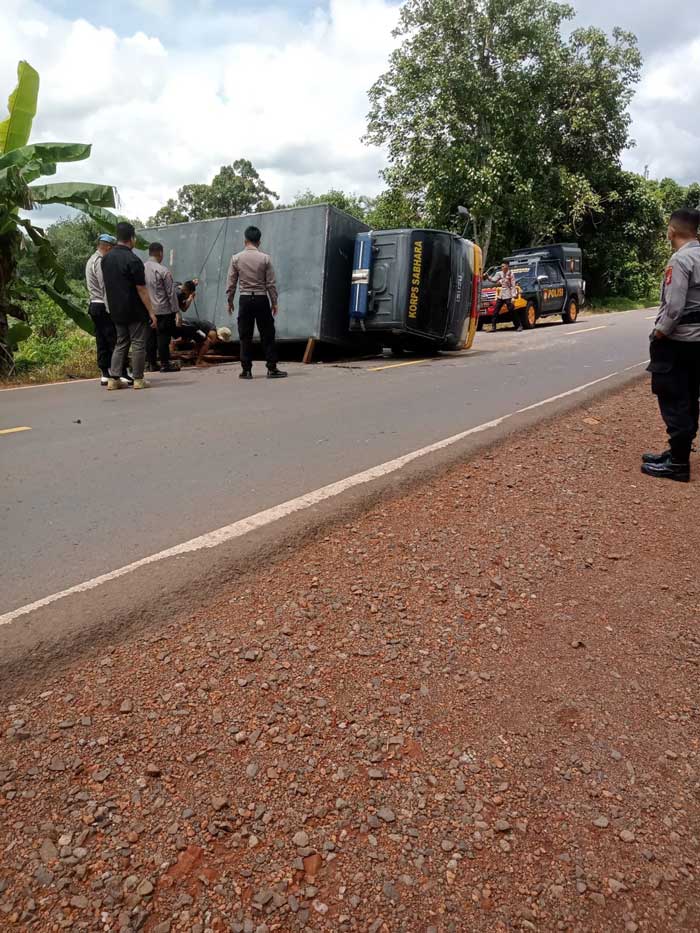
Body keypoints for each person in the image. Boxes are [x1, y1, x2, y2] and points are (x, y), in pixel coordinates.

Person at [642, 209, 700, 482]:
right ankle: (678, 453)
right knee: (690, 398)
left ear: (672, 230)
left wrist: (659, 333)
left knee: (674, 398)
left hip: (679, 341)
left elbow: (674, 307)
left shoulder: (680, 260)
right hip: (698, 342)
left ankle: (678, 464)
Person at [101, 221, 157, 391]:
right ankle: (138, 379)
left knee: (121, 342)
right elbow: (141, 289)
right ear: (132, 238)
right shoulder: (133, 260)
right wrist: (151, 312)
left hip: (116, 309)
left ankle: (114, 379)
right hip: (134, 310)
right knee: (138, 343)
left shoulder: (106, 259)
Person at [226, 226, 287, 379]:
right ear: (259, 241)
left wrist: (230, 300)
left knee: (245, 335)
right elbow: (270, 284)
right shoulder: (265, 258)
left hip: (245, 299)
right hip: (261, 299)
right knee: (267, 333)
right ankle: (271, 368)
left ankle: (246, 370)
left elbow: (231, 282)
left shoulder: (236, 258)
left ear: (245, 240)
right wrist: (274, 302)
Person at [85, 233, 128, 386]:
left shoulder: (91, 259)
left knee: (101, 340)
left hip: (94, 305)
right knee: (113, 340)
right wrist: (112, 309)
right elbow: (105, 287)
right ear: (108, 247)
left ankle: (105, 373)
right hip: (102, 305)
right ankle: (120, 373)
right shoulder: (100, 261)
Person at [144, 242, 180, 373]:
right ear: (160, 253)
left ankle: (151, 364)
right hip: (163, 310)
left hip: (147, 310)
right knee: (163, 338)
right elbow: (171, 293)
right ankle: (165, 364)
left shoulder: (141, 269)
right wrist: (176, 311)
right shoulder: (163, 270)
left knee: (150, 338)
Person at [486, 261, 521, 332]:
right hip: (501, 295)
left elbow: (513, 285)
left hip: (508, 294)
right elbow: (494, 280)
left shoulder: (511, 274)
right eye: (501, 266)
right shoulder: (499, 273)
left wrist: (513, 297)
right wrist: (488, 277)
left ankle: (519, 325)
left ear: (507, 266)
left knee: (512, 310)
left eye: (503, 266)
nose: (502, 267)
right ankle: (493, 327)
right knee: (495, 310)